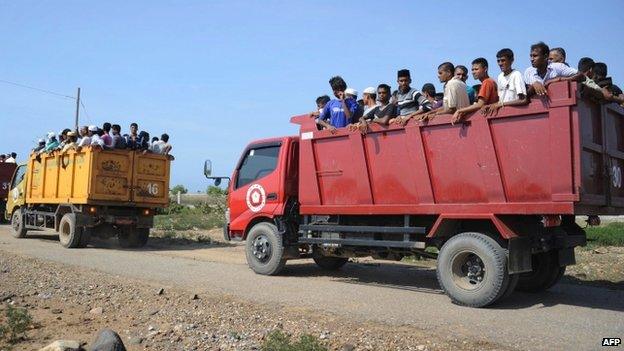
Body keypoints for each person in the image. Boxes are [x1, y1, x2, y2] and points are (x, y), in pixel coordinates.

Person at [481, 48, 528, 116]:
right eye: (498, 61)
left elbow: (523, 100)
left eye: (503, 60)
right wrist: (490, 105)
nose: (500, 63)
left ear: (511, 60)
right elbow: (501, 101)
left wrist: (501, 104)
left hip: (516, 114)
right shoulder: (500, 77)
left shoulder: (516, 75)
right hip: (503, 115)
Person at [452, 58, 499, 123]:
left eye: (476, 69)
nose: (473, 72)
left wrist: (459, 111)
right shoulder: (490, 81)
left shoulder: (487, 82)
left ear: (485, 69)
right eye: (472, 70)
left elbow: (480, 104)